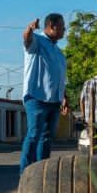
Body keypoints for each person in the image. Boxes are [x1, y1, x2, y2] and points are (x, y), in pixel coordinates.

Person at [20, 13, 69, 173]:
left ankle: (41, 174)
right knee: (34, 134)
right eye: (62, 27)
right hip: (36, 98)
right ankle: (26, 174)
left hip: (54, 101)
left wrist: (64, 97)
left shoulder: (58, 52)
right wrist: (29, 29)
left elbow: (58, 76)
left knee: (46, 138)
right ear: (52, 26)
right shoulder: (37, 42)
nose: (64, 30)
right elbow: (27, 39)